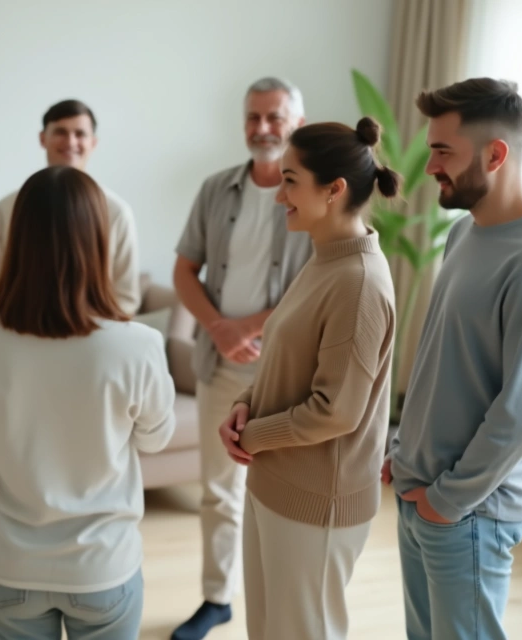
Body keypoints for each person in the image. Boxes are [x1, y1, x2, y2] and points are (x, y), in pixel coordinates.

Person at [383, 78, 522, 640]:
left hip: (468, 512)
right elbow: (441, 364)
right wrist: (404, 453)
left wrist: (446, 502)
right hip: (420, 492)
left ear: (495, 154)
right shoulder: (463, 233)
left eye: (443, 151)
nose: (429, 168)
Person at [0, 166, 176, 639]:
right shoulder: (138, 343)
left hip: (12, 564)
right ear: (100, 240)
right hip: (103, 568)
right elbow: (156, 440)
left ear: (17, 237)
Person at [218, 118, 399, 639]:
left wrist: (253, 435)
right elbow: (288, 355)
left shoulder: (358, 283)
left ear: (334, 189)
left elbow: (336, 410)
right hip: (275, 482)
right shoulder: (323, 256)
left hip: (318, 502)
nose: (280, 196)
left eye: (290, 180)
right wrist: (246, 403)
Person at [170, 76, 313, 640]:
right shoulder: (215, 189)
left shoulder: (312, 192)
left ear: (296, 123)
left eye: (274, 118)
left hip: (286, 368)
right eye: (253, 117)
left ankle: (278, 603)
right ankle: (217, 598)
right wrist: (218, 329)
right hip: (220, 363)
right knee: (219, 489)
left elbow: (314, 285)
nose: (262, 128)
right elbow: (185, 269)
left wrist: (246, 328)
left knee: (283, 494)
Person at [0, 99, 141, 315]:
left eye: (80, 134)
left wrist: (86, 332)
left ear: (93, 142)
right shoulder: (7, 208)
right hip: (22, 334)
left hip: (93, 337)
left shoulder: (117, 212)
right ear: (42, 138)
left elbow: (126, 297)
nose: (70, 141)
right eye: (60, 132)